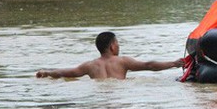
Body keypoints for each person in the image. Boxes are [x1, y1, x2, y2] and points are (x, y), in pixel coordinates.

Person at [35, 32, 182, 80]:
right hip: (118, 95)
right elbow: (149, 66)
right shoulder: (122, 61)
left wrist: (47, 72)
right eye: (117, 43)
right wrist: (174, 63)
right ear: (112, 46)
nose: (119, 45)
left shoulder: (90, 65)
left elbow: (66, 73)